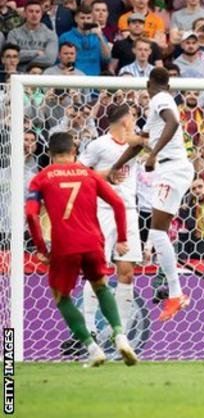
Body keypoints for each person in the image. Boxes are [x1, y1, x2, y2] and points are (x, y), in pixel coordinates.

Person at [25, 132, 138, 367]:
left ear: (49, 154)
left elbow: (31, 215)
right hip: (93, 242)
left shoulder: (41, 178)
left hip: (65, 245)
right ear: (74, 151)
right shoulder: (89, 174)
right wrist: (122, 238)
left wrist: (41, 249)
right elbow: (118, 203)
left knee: (61, 297)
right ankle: (120, 335)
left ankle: (92, 347)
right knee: (101, 287)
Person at [109, 68, 194, 322]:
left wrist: (155, 154)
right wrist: (117, 166)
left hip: (172, 167)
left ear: (149, 85)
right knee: (158, 232)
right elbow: (139, 143)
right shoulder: (155, 113)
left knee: (157, 232)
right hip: (170, 168)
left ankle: (176, 293)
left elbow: (174, 122)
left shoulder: (160, 99)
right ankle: (175, 292)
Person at [76, 104, 143, 343]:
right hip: (102, 211)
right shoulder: (99, 145)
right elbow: (77, 172)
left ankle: (121, 332)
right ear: (125, 122)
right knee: (98, 270)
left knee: (126, 272)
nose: (136, 121)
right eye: (133, 117)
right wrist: (106, 173)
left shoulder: (136, 142)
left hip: (129, 211)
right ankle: (89, 325)